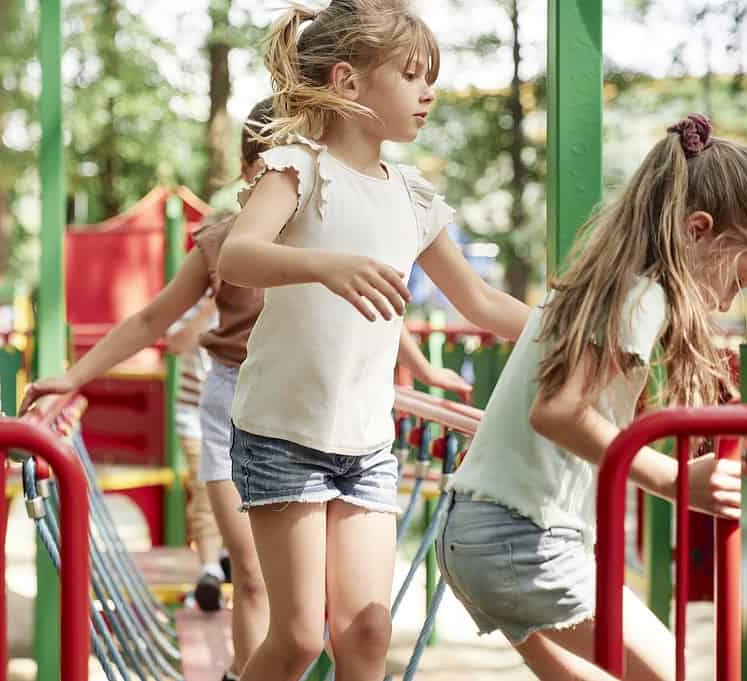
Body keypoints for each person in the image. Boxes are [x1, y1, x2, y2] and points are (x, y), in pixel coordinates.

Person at [21, 95, 470, 681]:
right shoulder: (229, 242)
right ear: (251, 170)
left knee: (354, 623)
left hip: (327, 410)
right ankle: (241, 668)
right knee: (258, 580)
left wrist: (423, 369)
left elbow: (375, 309)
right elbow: (152, 320)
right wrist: (74, 377)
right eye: (270, 164)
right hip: (241, 403)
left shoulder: (340, 216)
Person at [216, 3, 528, 680]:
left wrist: (567, 324)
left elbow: (476, 300)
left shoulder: (413, 197)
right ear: (349, 83)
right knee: (299, 637)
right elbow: (236, 256)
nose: (430, 91)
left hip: (365, 445)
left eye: (431, 77)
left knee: (365, 629)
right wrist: (326, 265)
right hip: (281, 434)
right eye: (413, 75)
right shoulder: (298, 167)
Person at [438, 113, 747, 681]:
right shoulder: (643, 295)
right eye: (741, 277)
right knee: (676, 674)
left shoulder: (605, 283)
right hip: (522, 539)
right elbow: (558, 410)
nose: (732, 301)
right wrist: (678, 481)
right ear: (699, 231)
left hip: (476, 533)